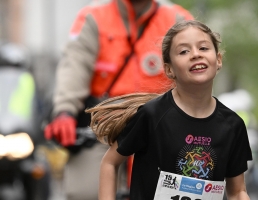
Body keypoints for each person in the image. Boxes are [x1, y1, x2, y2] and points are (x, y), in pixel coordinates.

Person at [87, 19, 252, 200]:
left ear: (218, 60)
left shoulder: (233, 125)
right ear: (169, 69)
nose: (196, 55)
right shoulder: (152, 115)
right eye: (184, 51)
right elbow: (110, 163)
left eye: (203, 48)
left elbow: (237, 192)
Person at [44, 0, 193, 199]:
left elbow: (193, 74)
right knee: (85, 192)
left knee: (183, 189)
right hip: (103, 125)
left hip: (162, 124)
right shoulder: (93, 17)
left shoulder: (178, 20)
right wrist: (65, 111)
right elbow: (74, 65)